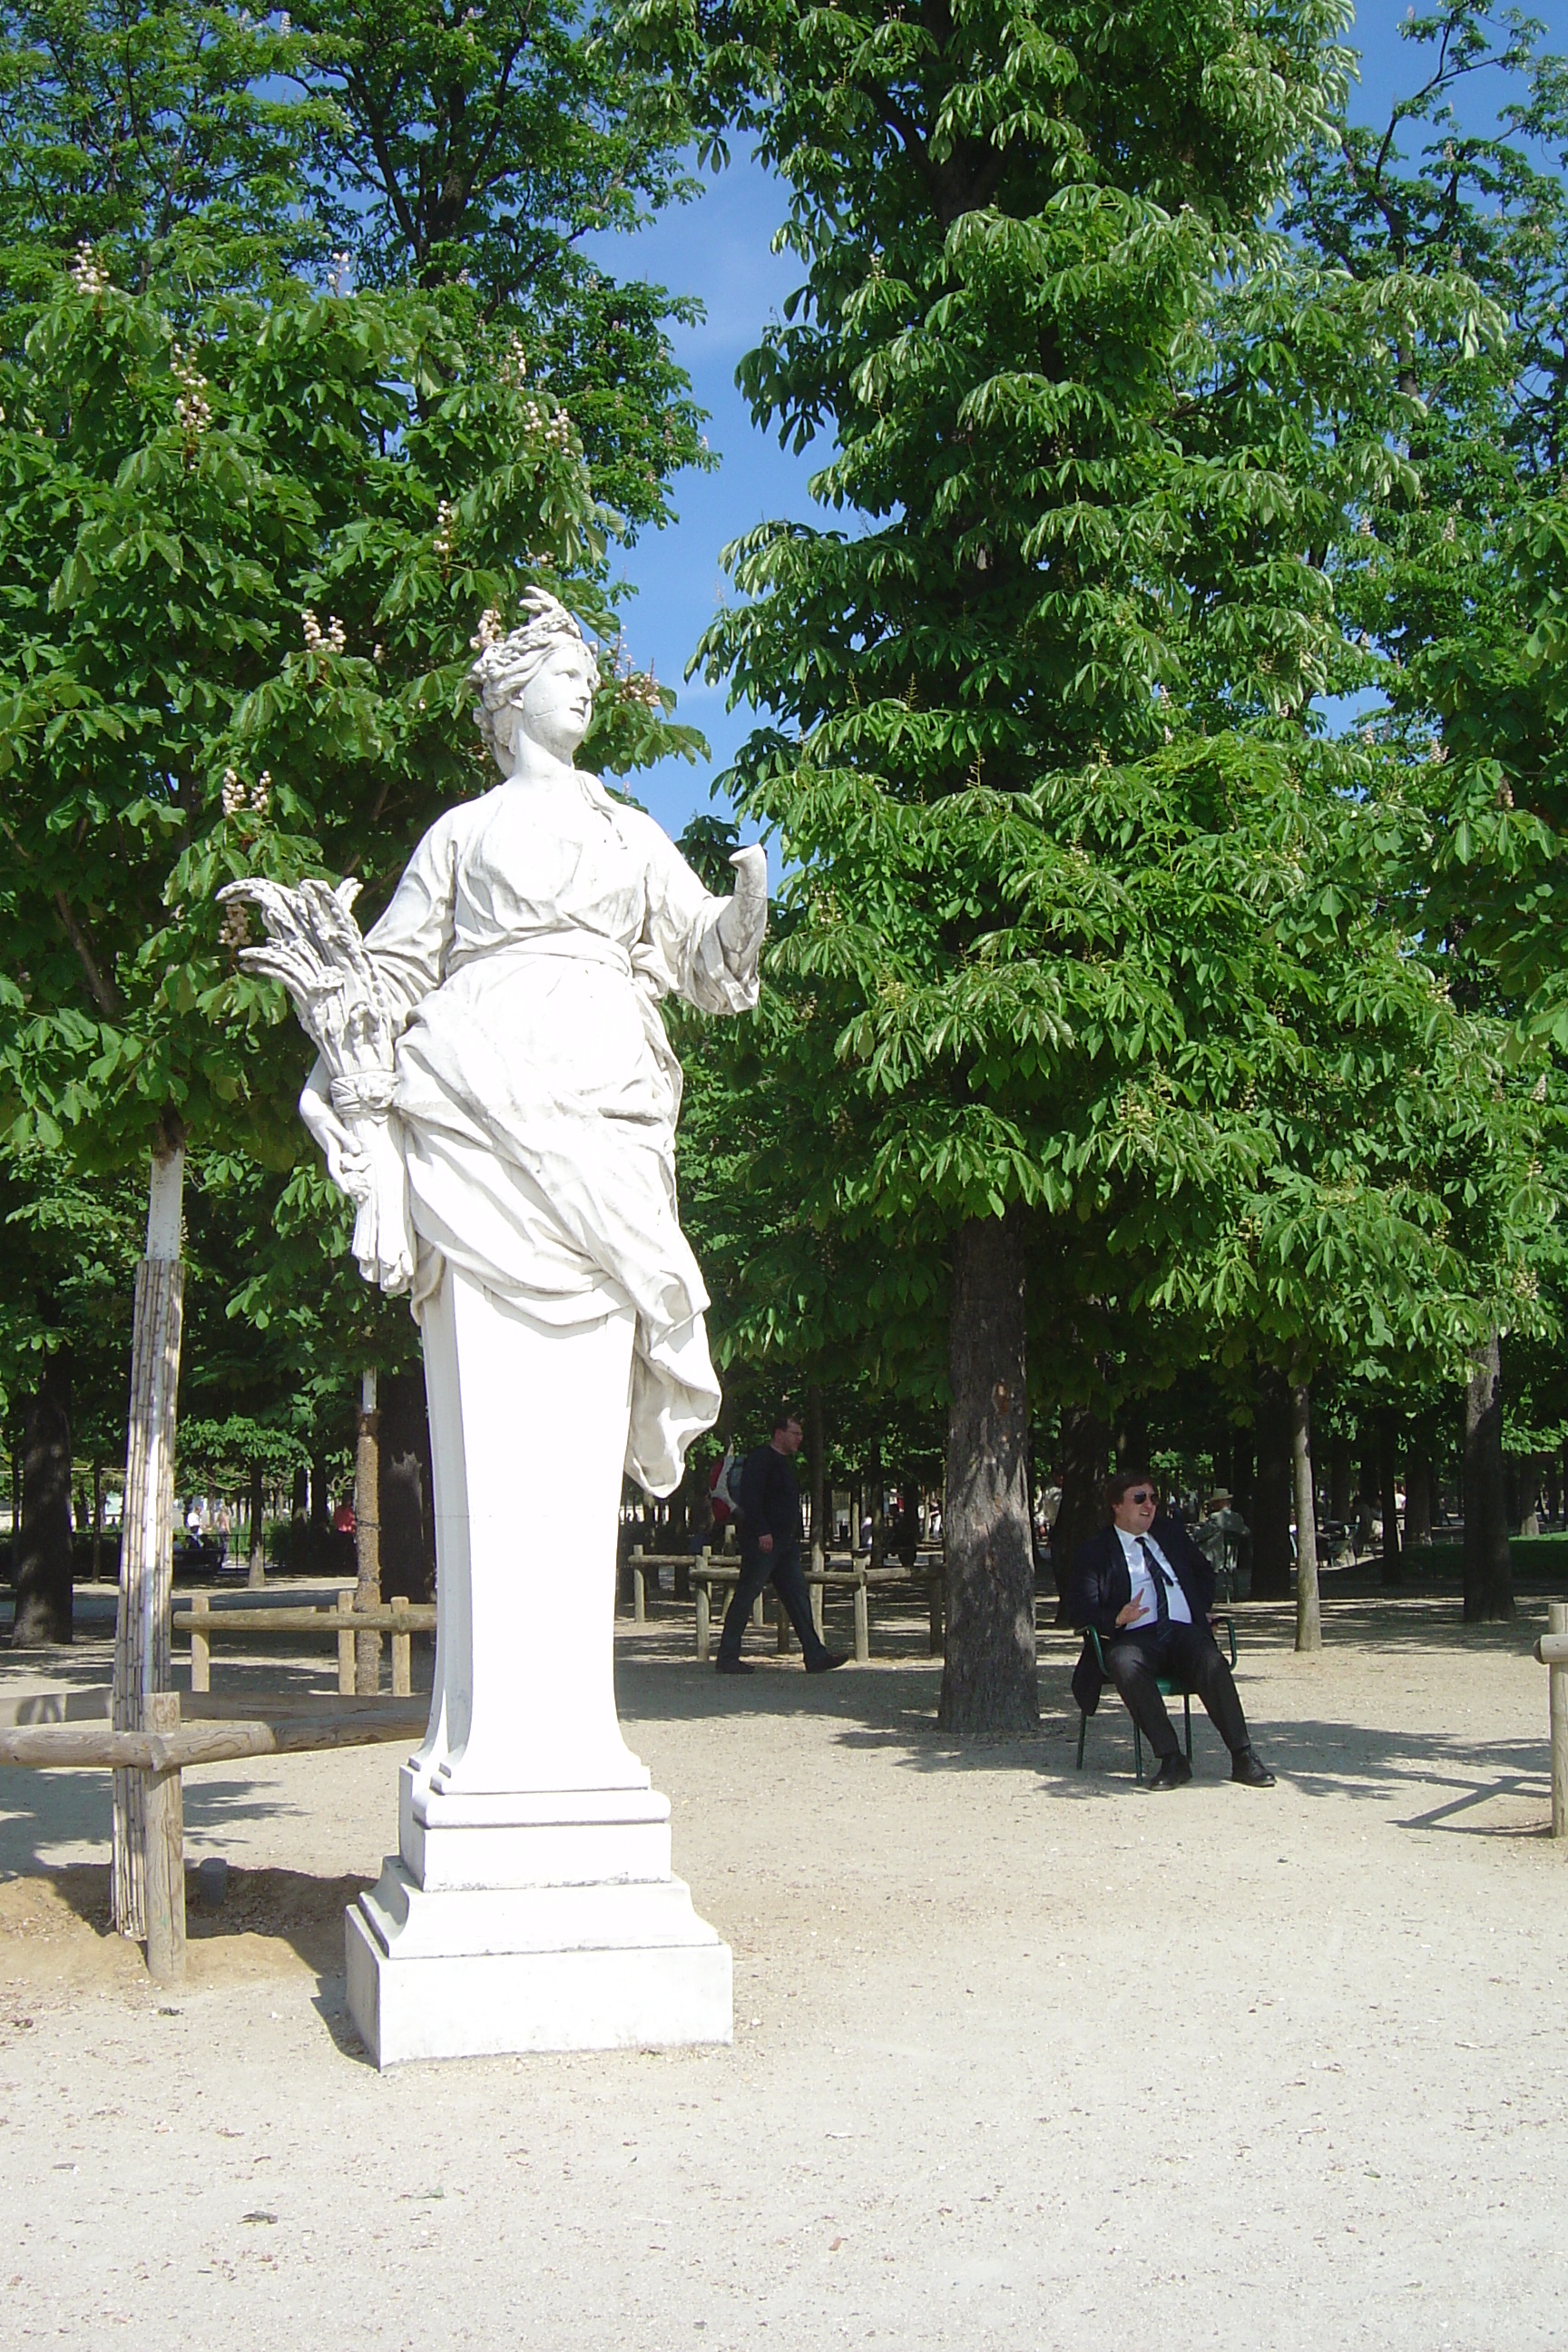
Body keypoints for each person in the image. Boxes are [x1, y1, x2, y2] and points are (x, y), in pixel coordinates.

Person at [1069, 1466, 1275, 1790]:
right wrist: (1117, 1617)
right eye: (1139, 1498)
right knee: (1123, 1662)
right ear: (1116, 1506)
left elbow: (1204, 1575)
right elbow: (1080, 1609)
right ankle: (1171, 1758)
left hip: (1181, 1631)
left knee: (1211, 1661)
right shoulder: (1095, 1551)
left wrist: (1198, 1609)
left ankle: (1243, 1756)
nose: (1149, 1505)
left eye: (1153, 1498)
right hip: (1133, 1637)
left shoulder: (1170, 1535)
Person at [714, 1412, 848, 1677]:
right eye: (795, 1433)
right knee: (746, 1596)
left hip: (784, 1544)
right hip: (762, 1542)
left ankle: (815, 1654)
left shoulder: (786, 1463)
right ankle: (727, 1657)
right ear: (779, 1433)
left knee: (798, 1597)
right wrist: (763, 1532)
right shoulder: (762, 1459)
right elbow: (752, 1498)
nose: (799, 1438)